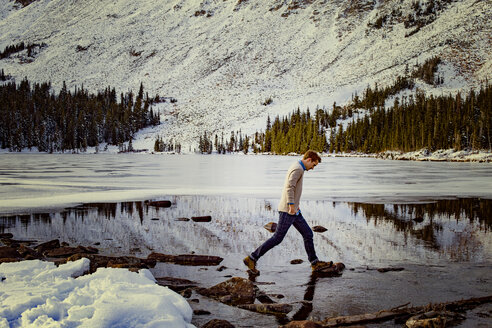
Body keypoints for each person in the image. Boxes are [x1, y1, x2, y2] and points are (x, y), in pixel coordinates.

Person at [244, 150, 333, 275]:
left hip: (294, 210)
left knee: (308, 234)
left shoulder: (297, 166)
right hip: (288, 211)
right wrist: (291, 205)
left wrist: (295, 205)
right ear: (309, 160)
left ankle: (315, 263)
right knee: (277, 238)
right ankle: (252, 258)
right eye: (313, 165)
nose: (313, 168)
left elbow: (292, 188)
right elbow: (289, 188)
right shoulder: (298, 169)